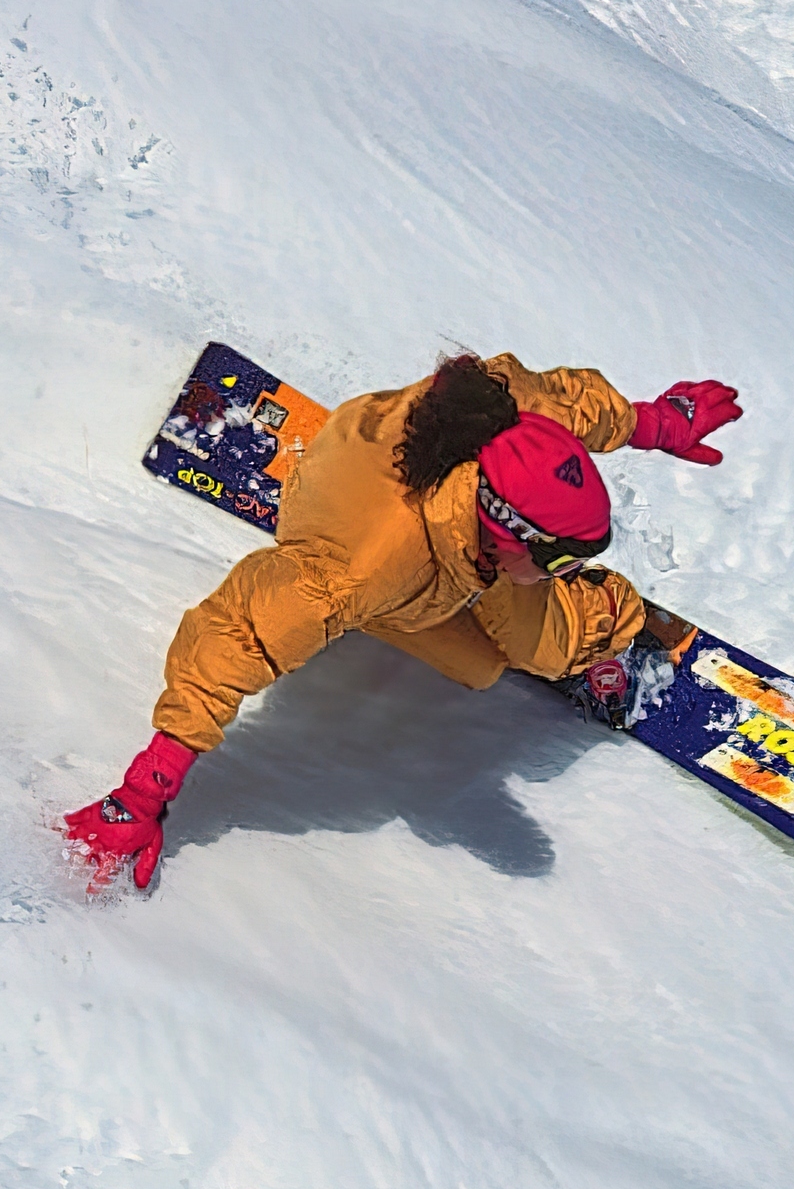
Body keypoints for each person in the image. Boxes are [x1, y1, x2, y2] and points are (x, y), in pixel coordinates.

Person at [65, 353, 743, 889]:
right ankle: (609, 622)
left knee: (481, 664)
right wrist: (143, 792)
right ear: (508, 535)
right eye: (562, 559)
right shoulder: (362, 569)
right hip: (372, 543)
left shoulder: (508, 424)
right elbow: (236, 634)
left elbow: (563, 398)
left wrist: (654, 423)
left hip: (367, 466)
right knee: (528, 649)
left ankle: (556, 609)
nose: (564, 567)